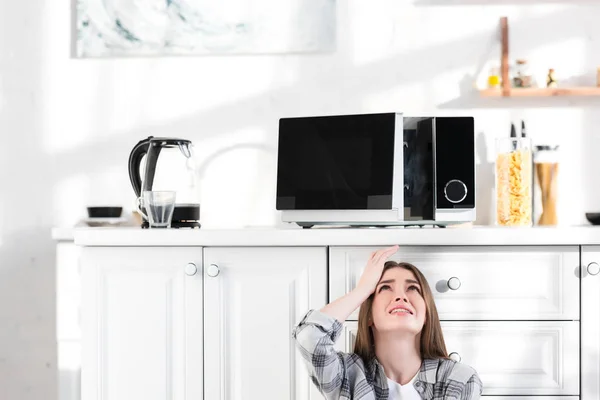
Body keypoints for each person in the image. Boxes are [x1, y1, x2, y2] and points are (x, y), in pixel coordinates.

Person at [292, 245, 482, 400]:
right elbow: (310, 336)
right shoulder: (348, 377)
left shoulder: (459, 379)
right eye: (385, 288)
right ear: (368, 316)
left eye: (412, 288)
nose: (400, 296)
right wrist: (363, 290)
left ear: (426, 315)